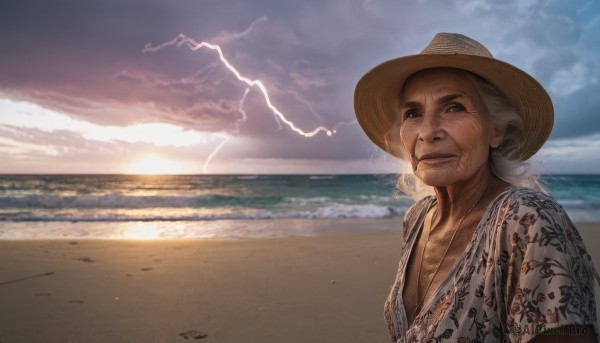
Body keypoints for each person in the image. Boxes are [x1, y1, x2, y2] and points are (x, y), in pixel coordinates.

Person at [354, 32, 598, 342]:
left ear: (496, 130)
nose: (428, 132)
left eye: (454, 108)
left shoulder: (526, 219)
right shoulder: (418, 218)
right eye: (413, 113)